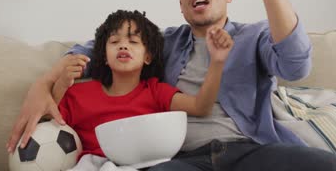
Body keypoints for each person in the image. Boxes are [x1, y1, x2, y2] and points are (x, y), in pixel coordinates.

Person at [7, 0, 336, 170]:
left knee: (328, 167)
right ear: (182, 3)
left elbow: (296, 63)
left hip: (250, 151)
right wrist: (43, 83)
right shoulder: (160, 44)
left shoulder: (255, 36)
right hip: (183, 158)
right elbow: (94, 51)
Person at [54, 9, 233, 170]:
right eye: (115, 41)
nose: (123, 46)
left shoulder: (155, 91)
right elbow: (49, 116)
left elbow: (200, 107)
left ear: (147, 57)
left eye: (133, 41)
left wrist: (217, 62)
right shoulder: (79, 94)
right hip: (93, 164)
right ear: (105, 56)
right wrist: (61, 83)